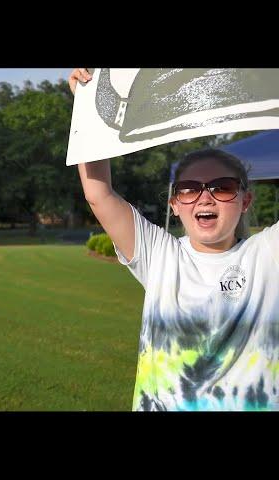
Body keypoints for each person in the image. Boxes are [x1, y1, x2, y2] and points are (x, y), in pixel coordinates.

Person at [69, 68, 279, 411]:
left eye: (222, 187)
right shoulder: (160, 255)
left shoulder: (267, 254)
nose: (204, 198)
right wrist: (88, 108)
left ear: (245, 201)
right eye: (190, 189)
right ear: (174, 204)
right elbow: (98, 194)